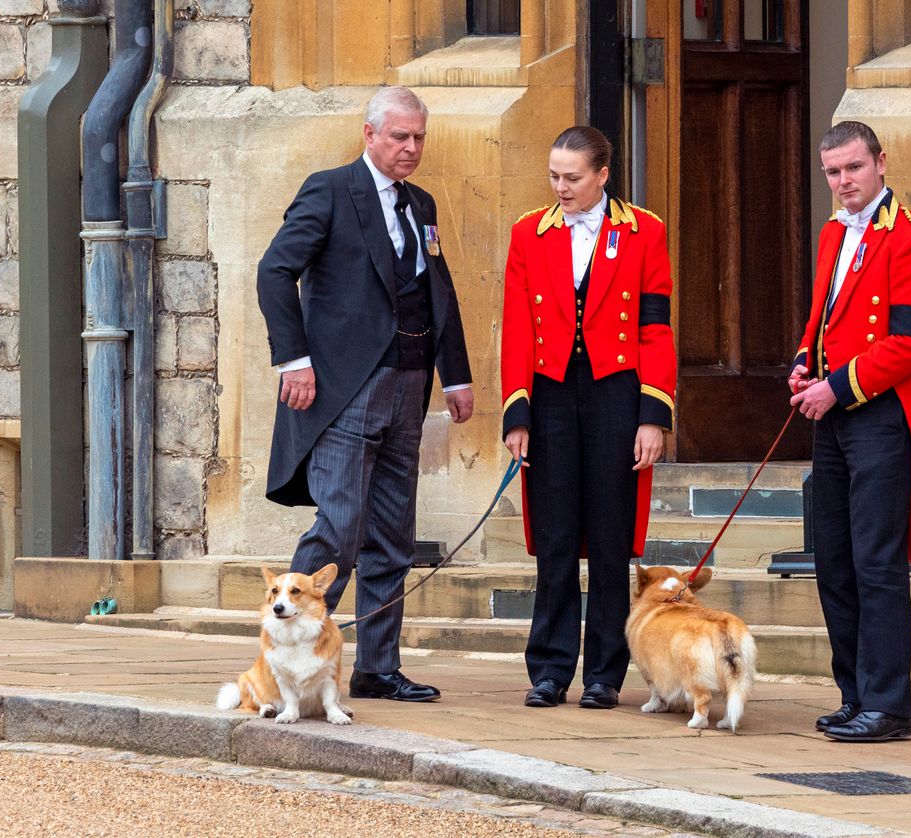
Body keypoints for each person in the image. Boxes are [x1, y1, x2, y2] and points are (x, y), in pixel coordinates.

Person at [257, 86, 473, 703]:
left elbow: (440, 293)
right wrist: (293, 360)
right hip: (343, 392)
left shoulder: (422, 204)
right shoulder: (329, 189)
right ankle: (288, 661)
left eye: (419, 138)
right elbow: (275, 270)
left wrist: (454, 375)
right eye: (400, 136)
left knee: (392, 535)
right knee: (342, 527)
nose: (411, 148)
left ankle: (377, 668)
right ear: (369, 135)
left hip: (409, 388)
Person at [500, 126, 677, 710]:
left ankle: (604, 674)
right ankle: (549, 670)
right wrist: (516, 413)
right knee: (553, 539)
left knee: (608, 540)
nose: (561, 188)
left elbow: (655, 326)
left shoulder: (644, 230)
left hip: (616, 395)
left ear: (603, 174)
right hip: (549, 396)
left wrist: (653, 415)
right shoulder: (529, 232)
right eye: (554, 176)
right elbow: (517, 328)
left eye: (572, 178)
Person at [787, 121, 911, 742]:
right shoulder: (833, 233)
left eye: (853, 168)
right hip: (832, 412)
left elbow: (909, 343)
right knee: (834, 560)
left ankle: (890, 705)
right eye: (833, 173)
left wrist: (837, 385)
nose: (844, 182)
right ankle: (854, 695)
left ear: (881, 162)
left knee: (876, 563)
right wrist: (806, 362)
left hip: (880, 416)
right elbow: (822, 318)